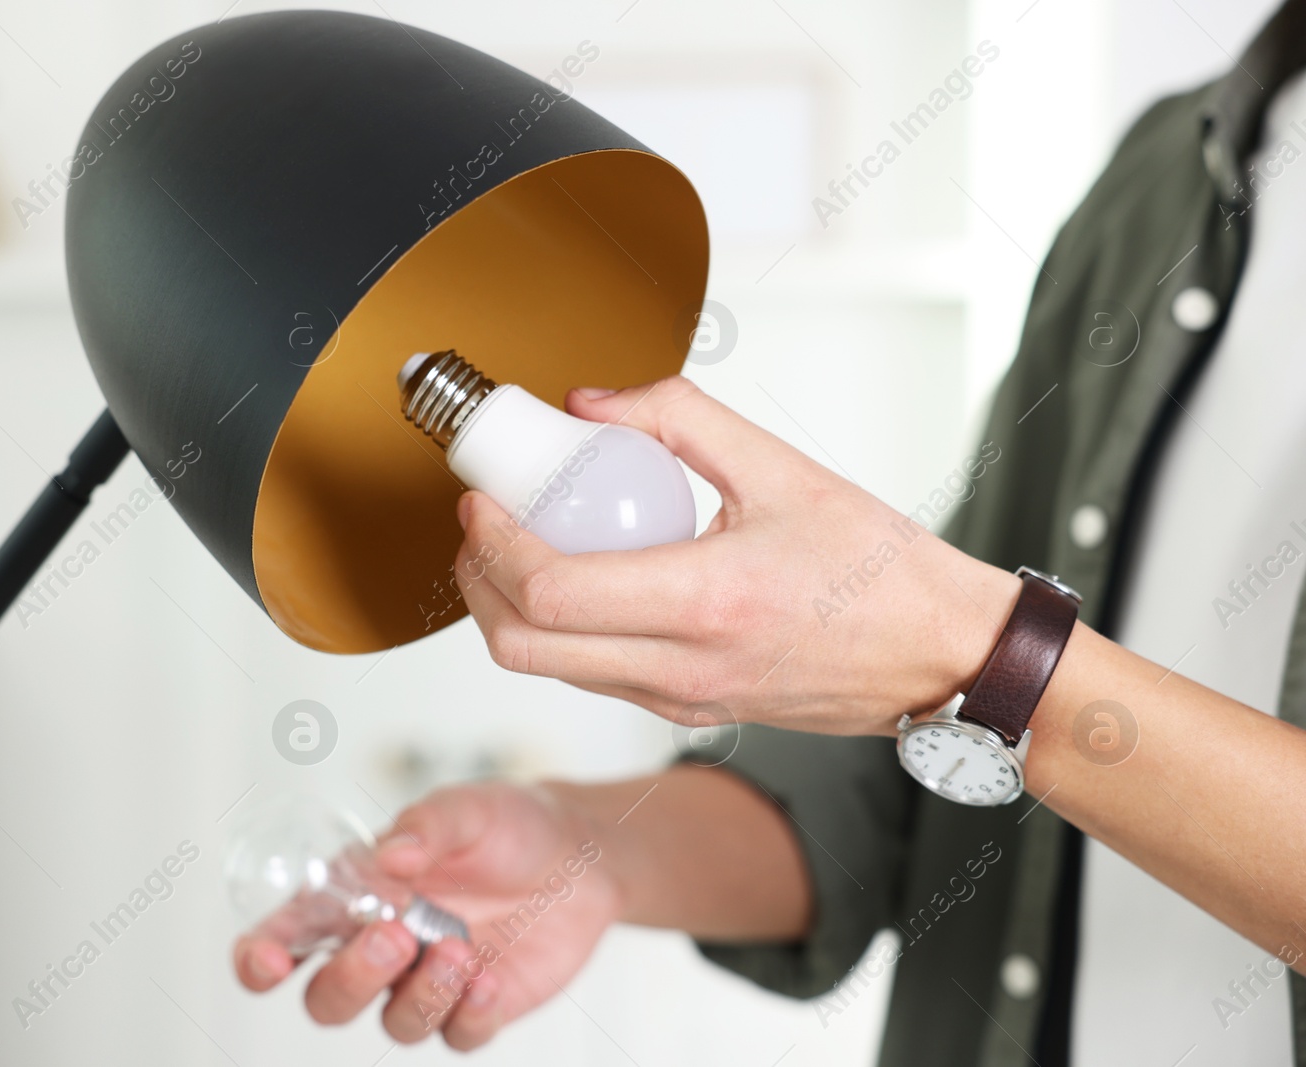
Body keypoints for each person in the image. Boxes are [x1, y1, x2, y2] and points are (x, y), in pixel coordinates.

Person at [234, 3, 1306, 1063]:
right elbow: (936, 757)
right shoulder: (1167, 179)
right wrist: (585, 845)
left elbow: (992, 682)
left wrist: (984, 654)